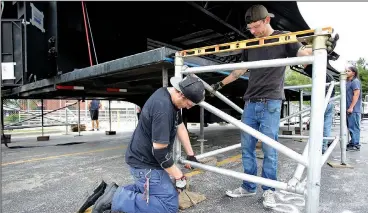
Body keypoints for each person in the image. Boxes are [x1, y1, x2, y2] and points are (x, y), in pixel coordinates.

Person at [210, 4, 339, 208]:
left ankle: (269, 190)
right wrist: (217, 85)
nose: (252, 32)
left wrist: (320, 47)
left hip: (271, 101)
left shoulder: (284, 37)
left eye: (255, 27)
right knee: (247, 147)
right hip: (250, 102)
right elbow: (239, 70)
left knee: (270, 149)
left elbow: (302, 53)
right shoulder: (251, 44)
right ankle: (248, 186)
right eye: (249, 28)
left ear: (267, 20)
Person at [89, 75, 204, 213]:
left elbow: (179, 126)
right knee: (169, 206)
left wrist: (191, 154)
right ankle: (116, 197)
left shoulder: (168, 94)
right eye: (189, 104)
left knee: (160, 194)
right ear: (181, 94)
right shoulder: (163, 109)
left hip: (148, 160)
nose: (189, 108)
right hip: (146, 165)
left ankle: (110, 193)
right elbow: (160, 152)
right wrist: (178, 175)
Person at [304, 64, 336, 154]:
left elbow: (319, 90)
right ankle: (323, 147)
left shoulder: (319, 74)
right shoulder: (328, 75)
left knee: (316, 124)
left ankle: (315, 148)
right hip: (330, 100)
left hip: (321, 101)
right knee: (326, 126)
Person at [345, 66, 362, 151]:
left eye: (348, 71)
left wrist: (351, 107)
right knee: (350, 126)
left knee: (354, 127)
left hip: (354, 109)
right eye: (346, 71)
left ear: (353, 73)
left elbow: (356, 94)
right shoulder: (348, 81)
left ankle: (356, 144)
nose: (346, 72)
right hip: (348, 108)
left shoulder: (355, 81)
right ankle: (353, 142)